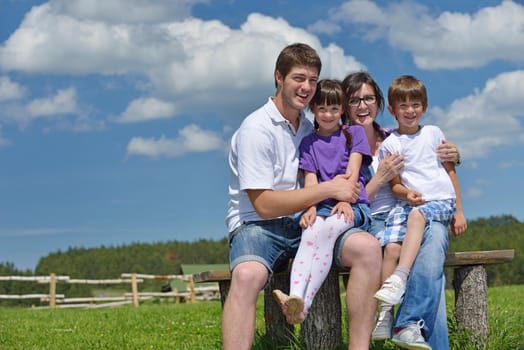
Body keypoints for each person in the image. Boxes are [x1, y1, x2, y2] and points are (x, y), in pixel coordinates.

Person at [224, 43, 382, 350]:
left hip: (309, 221)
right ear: (279, 78)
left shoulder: (311, 127)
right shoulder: (256, 129)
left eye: (313, 79)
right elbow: (264, 204)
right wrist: (329, 189)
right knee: (245, 276)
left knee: (367, 248)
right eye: (299, 78)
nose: (307, 87)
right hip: (258, 226)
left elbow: (358, 137)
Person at [340, 71, 463, 349]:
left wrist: (454, 155)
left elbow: (436, 164)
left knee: (432, 246)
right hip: (373, 221)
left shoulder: (393, 136)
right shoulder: (340, 144)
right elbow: (346, 201)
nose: (362, 106)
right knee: (431, 255)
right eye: (354, 100)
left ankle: (408, 326)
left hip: (411, 212)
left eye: (369, 98)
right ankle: (411, 327)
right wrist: (380, 178)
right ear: (344, 106)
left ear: (380, 103)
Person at [272, 79, 372, 324]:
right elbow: (310, 180)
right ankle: (295, 298)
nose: (328, 114)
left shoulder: (353, 134)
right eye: (322, 109)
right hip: (323, 205)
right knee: (310, 232)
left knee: (327, 231)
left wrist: (346, 200)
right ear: (313, 110)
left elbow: (353, 170)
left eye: (335, 109)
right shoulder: (309, 143)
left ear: (342, 110)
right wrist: (311, 208)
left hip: (354, 204)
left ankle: (305, 303)